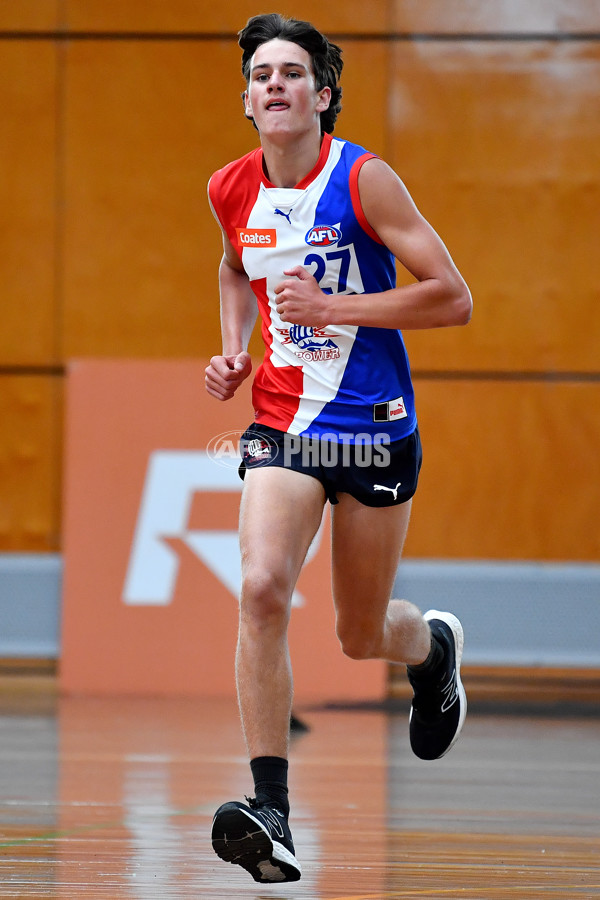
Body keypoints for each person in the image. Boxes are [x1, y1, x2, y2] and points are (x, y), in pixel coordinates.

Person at [205, 13, 472, 884]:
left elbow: (452, 298)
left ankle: (431, 652)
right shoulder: (229, 188)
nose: (273, 82)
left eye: (291, 72)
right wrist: (236, 346)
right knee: (258, 587)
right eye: (260, 73)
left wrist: (334, 310)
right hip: (285, 425)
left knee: (363, 635)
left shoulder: (366, 180)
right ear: (247, 100)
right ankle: (270, 812)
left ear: (322, 95)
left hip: (374, 427)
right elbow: (233, 269)